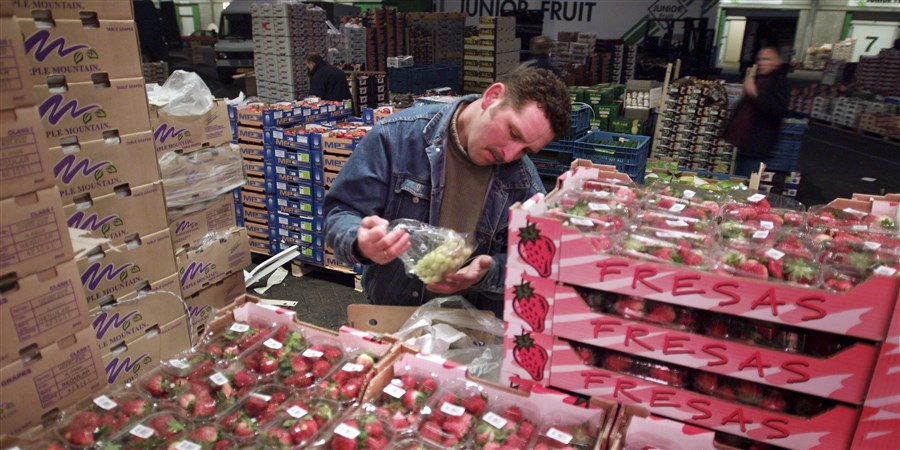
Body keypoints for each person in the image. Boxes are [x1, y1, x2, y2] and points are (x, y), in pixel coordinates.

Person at [324, 68, 571, 316]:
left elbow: (528, 263)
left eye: (526, 149)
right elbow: (340, 212)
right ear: (492, 97)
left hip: (470, 333)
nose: (509, 154)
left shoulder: (523, 181)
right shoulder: (395, 137)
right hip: (394, 316)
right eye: (513, 133)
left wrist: (488, 273)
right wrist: (359, 240)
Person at [724, 47, 790, 177]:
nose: (761, 63)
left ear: (777, 62)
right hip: (744, 144)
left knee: (748, 183)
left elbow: (775, 109)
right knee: (739, 179)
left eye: (766, 59)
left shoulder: (778, 83)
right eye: (760, 59)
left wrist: (754, 93)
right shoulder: (759, 80)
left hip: (757, 147)